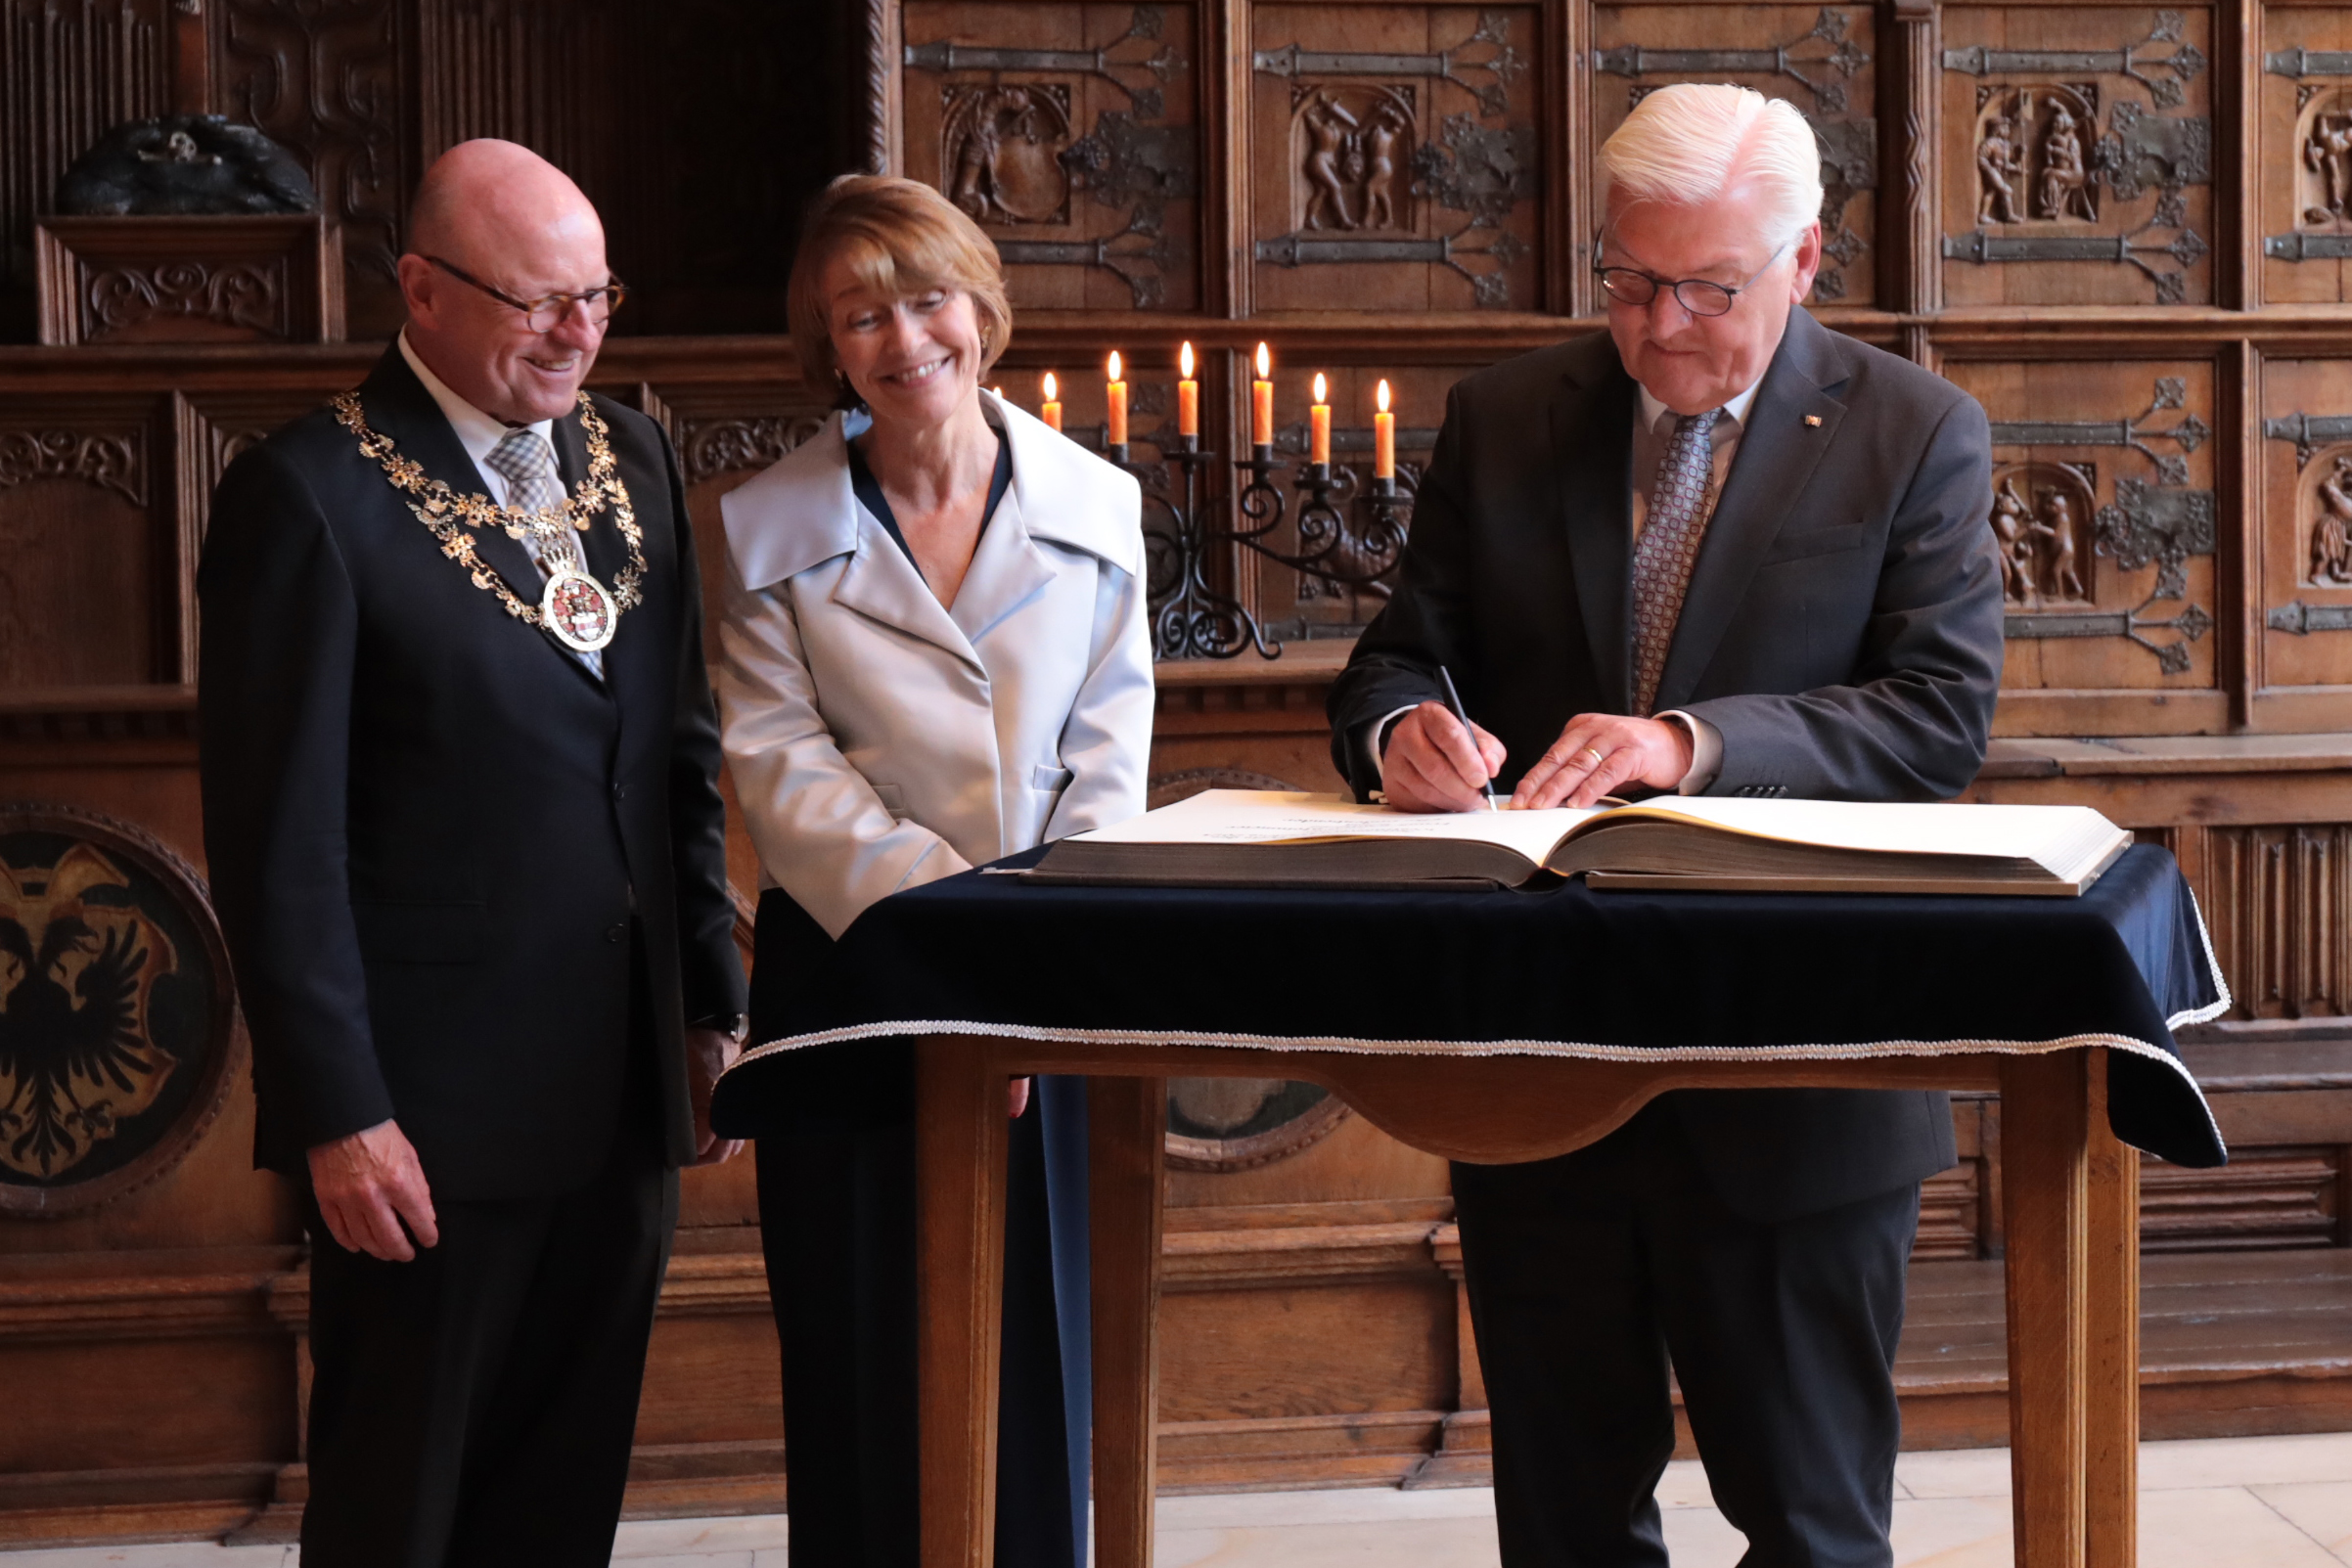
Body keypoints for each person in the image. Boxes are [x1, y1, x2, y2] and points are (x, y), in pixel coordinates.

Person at [1326, 83, 2002, 1567]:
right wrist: (1403, 736)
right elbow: (1392, 656)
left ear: (1805, 261)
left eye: (1708, 287)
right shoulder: (1509, 417)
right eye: (1631, 282)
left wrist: (1691, 742)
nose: (1661, 324)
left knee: (1813, 1530)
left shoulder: (1914, 432)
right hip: (1536, 1063)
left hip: (1797, 1072)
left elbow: (1937, 718)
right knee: (1565, 1531)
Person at [198, 139, 746, 1568]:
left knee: (562, 1492)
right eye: (537, 301)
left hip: (617, 1094)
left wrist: (706, 1002)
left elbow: (675, 758)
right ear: (423, 291)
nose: (580, 334)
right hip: (422, 1117)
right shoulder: (308, 494)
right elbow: (278, 846)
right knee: (402, 1501)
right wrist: (337, 1111)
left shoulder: (630, 451)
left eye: (598, 296)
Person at [713, 174, 1153, 1568]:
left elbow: (1108, 762)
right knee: (861, 1352)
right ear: (825, 345)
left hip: (1054, 982)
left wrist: (1017, 981)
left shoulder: (1100, 504)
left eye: (927, 300)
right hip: (853, 987)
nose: (904, 341)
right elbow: (787, 782)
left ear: (982, 309)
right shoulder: (757, 528)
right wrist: (959, 959)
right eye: (861, 316)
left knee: (1042, 1343)